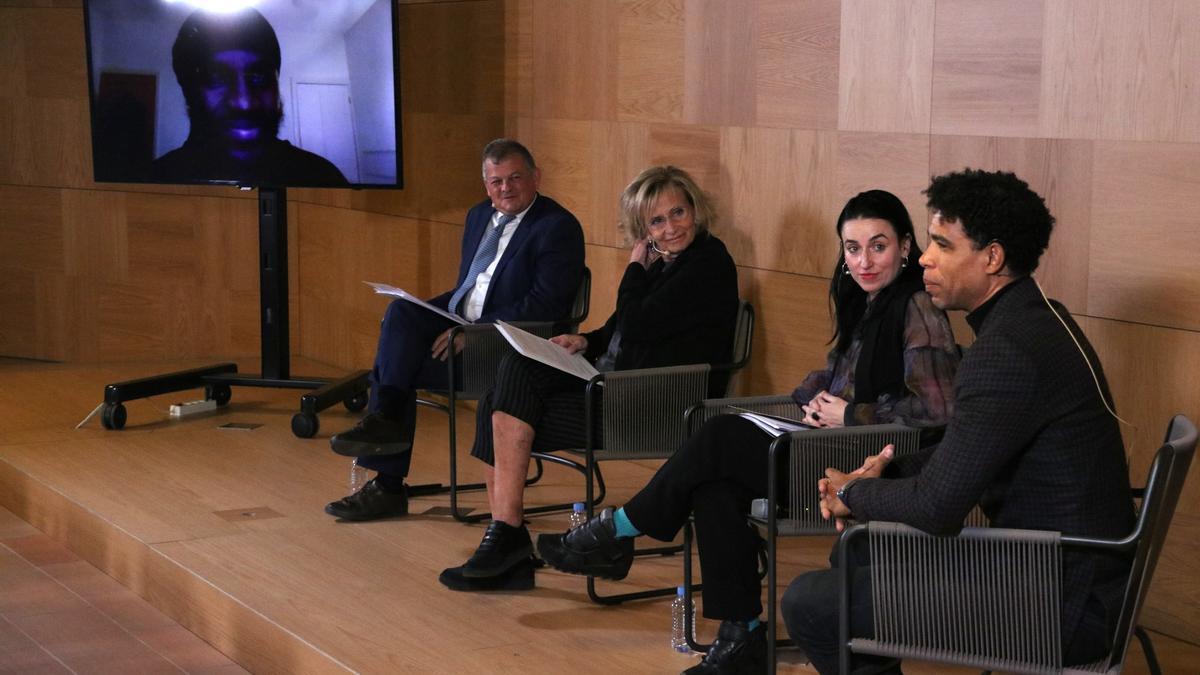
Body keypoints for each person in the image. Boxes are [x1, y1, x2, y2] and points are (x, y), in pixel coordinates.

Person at [538, 189, 959, 674]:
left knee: (718, 436)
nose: (863, 261)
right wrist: (813, 399)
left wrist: (850, 414)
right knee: (714, 484)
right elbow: (832, 375)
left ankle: (621, 530)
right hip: (823, 443)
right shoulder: (867, 300)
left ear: (906, 247)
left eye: (878, 246)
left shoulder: (918, 307)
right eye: (852, 248)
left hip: (860, 469)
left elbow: (935, 412)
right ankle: (743, 634)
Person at [782, 169, 1136, 674]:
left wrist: (853, 493)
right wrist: (888, 469)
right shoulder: (1036, 318)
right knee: (856, 557)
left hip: (1060, 603)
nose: (924, 257)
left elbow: (939, 508)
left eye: (942, 245)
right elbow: (974, 448)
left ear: (992, 258)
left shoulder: (1007, 352)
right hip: (1067, 572)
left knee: (811, 602)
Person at [438, 166, 740, 593]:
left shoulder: (707, 262)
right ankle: (505, 533)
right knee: (506, 384)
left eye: (678, 213)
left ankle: (507, 541)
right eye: (657, 220)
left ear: (696, 210)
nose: (671, 228)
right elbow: (620, 328)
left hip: (653, 405)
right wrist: (584, 340)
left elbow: (636, 323)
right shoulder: (669, 264)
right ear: (643, 228)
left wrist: (634, 269)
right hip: (614, 389)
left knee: (500, 403)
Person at [324, 139, 586, 521]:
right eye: (496, 182)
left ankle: (387, 482)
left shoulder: (557, 227)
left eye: (515, 178)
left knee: (397, 366)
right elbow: (470, 289)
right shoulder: (479, 215)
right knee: (400, 316)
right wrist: (425, 310)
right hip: (463, 322)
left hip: (507, 348)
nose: (506, 189)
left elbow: (546, 306)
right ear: (486, 186)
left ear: (535, 177)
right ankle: (385, 431)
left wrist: (476, 331)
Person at [150, 8, 348, 186]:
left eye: (259, 76)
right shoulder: (154, 183)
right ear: (188, 88)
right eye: (216, 77)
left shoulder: (323, 178)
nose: (244, 102)